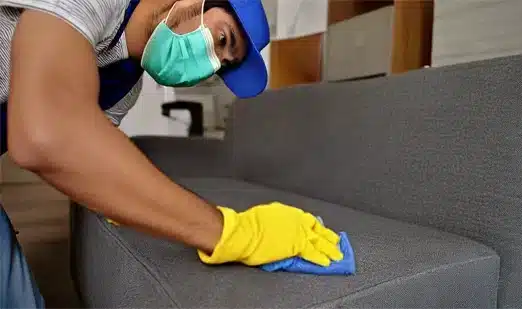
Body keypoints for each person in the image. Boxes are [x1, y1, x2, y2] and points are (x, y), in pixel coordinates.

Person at [0, 0, 344, 306]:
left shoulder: (123, 88)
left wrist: (132, 201)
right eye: (222, 40)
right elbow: (47, 133)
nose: (211, 66)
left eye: (222, 65)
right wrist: (234, 233)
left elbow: (83, 163)